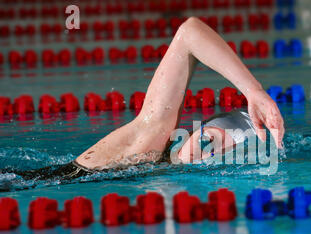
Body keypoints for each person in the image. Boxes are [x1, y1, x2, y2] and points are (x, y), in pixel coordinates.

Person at [9, 17, 285, 181]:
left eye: (216, 155)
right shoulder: (151, 135)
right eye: (207, 140)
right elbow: (189, 33)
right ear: (192, 131)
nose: (206, 153)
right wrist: (254, 91)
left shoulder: (162, 169)